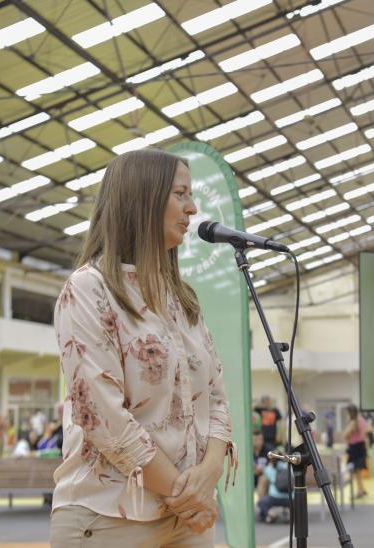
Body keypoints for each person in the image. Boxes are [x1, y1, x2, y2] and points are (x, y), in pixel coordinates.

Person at [49, 149, 236, 547]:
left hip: (187, 518)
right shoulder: (89, 289)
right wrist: (187, 496)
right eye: (180, 194)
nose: (193, 208)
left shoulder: (182, 298)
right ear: (144, 199)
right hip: (108, 518)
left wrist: (209, 474)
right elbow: (102, 416)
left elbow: (217, 398)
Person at [343, 404, 369, 498]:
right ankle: (362, 489)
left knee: (355, 471)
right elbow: (366, 433)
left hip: (354, 448)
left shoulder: (353, 422)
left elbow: (345, 435)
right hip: (361, 447)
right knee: (357, 471)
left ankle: (360, 491)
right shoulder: (362, 420)